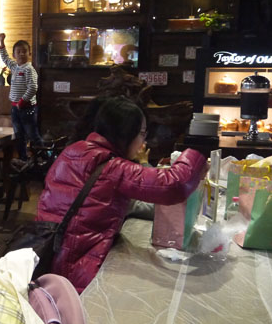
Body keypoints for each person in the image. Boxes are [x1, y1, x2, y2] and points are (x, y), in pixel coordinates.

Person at [37, 96, 207, 294]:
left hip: (49, 255)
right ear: (126, 133)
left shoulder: (72, 151)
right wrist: (199, 150)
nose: (143, 141)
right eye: (142, 133)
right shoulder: (112, 167)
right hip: (78, 266)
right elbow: (173, 185)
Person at [0, 33, 41, 163]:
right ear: (14, 55)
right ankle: (23, 159)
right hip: (15, 108)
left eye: (24, 51)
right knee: (19, 136)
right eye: (18, 52)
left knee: (32, 135)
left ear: (29, 54)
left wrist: (22, 102)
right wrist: (1, 43)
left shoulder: (29, 69)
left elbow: (33, 87)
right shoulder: (14, 67)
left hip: (27, 108)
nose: (21, 54)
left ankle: (44, 157)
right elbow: (5, 58)